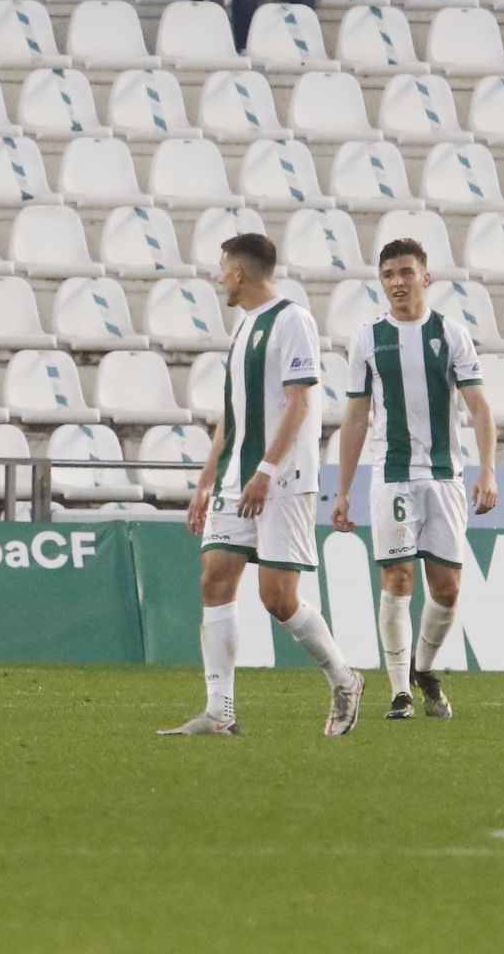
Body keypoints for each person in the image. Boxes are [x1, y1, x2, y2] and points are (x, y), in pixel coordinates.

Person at [161, 233, 363, 738]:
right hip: (238, 476)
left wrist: (266, 472)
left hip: (284, 479)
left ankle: (344, 679)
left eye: (222, 267)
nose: (218, 277)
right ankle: (219, 712)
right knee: (214, 577)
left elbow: (298, 402)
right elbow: (233, 415)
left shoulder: (292, 320)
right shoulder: (245, 325)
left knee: (277, 597)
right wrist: (207, 479)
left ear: (240, 273)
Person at [332, 239, 498, 719]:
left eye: (406, 272)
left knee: (446, 589)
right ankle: (399, 690)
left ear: (425, 277)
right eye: (388, 274)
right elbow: (356, 417)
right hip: (392, 474)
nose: (397, 282)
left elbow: (479, 405)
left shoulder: (451, 334)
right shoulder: (367, 337)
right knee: (398, 576)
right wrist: (342, 492)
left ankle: (424, 670)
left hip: (444, 476)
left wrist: (488, 468)